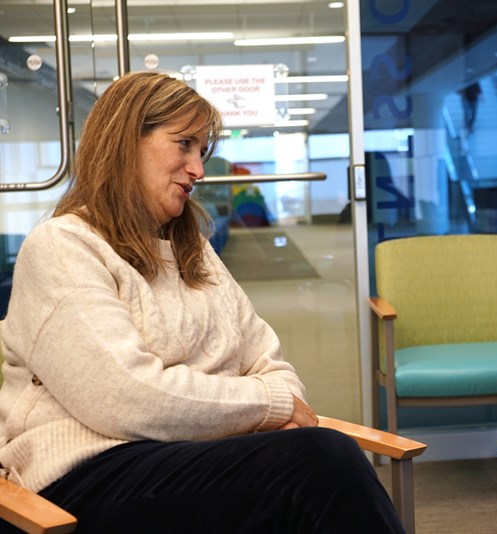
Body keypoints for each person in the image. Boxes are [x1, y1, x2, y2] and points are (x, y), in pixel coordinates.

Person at [0, 71, 403, 533]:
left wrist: (258, 403)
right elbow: (128, 398)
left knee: (315, 470)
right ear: (127, 141)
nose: (198, 170)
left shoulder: (195, 249)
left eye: (202, 151)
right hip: (83, 476)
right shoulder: (63, 246)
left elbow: (269, 362)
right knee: (321, 462)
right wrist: (265, 406)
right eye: (184, 145)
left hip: (192, 456)